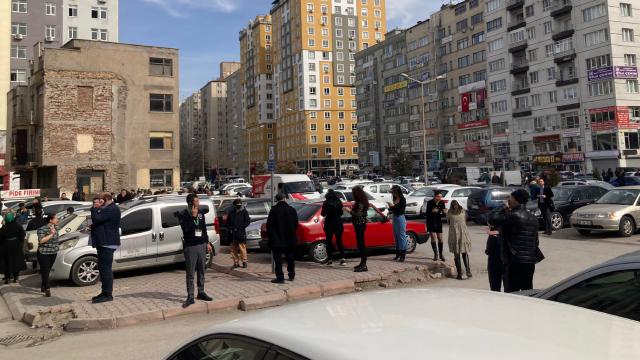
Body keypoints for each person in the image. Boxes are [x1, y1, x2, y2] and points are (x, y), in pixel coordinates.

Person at [488, 189, 541, 292]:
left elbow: (491, 218)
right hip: (530, 262)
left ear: (516, 200)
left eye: (510, 198)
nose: (509, 200)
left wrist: (503, 206)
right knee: (527, 292)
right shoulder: (533, 218)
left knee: (512, 293)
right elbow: (536, 241)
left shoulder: (514, 216)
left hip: (515, 262)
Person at [176, 194, 213, 308]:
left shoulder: (201, 213)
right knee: (191, 272)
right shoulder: (183, 214)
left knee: (202, 269)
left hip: (201, 245)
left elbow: (203, 228)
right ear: (191, 203)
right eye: (197, 201)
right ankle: (190, 296)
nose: (199, 203)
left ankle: (201, 292)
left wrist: (207, 242)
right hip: (191, 246)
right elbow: (186, 229)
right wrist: (192, 217)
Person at [90, 193, 121, 304]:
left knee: (106, 269)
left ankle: (108, 294)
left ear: (105, 200)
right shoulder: (108, 208)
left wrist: (94, 209)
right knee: (103, 269)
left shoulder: (111, 209)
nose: (98, 203)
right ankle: (104, 292)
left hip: (107, 243)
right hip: (104, 242)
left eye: (101, 201)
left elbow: (96, 219)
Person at [267, 193, 299, 283]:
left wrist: (272, 237)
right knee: (290, 258)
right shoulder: (292, 210)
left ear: (277, 199)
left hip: (277, 240)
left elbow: (269, 226)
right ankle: (291, 275)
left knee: (278, 259)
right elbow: (296, 224)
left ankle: (280, 277)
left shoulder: (274, 210)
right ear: (285, 198)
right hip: (290, 239)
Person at [344, 186, 370, 272]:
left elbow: (358, 214)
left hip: (360, 224)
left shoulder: (360, 203)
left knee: (361, 244)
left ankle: (364, 264)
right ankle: (362, 263)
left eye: (353, 193)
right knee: (360, 243)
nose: (352, 194)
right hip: (359, 224)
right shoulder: (361, 202)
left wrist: (349, 210)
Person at [447, 200, 472, 280]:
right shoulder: (463, 211)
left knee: (456, 254)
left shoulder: (449, 212)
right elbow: (465, 220)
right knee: (464, 252)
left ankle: (460, 274)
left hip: (454, 234)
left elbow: (448, 222)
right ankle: (468, 272)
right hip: (463, 233)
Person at [36, 213, 60, 297]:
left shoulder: (56, 227)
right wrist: (51, 234)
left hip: (53, 252)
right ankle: (47, 288)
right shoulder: (42, 229)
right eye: (56, 218)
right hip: (43, 253)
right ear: (50, 220)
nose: (58, 220)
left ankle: (43, 285)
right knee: (45, 270)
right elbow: (41, 241)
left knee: (47, 270)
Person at [0, 212, 27, 284]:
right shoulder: (18, 226)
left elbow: (0, 239)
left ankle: (7, 278)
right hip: (16, 245)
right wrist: (20, 242)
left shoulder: (3, 228)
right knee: (16, 261)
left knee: (7, 262)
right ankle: (16, 277)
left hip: (6, 247)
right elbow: (22, 235)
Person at [320, 189, 345, 266]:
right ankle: (343, 259)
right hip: (338, 223)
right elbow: (341, 213)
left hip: (329, 223)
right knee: (339, 240)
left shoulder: (326, 202)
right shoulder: (339, 202)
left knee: (329, 241)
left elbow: (322, 214)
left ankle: (330, 260)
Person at [227, 198, 251, 269]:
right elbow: (228, 223)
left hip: (241, 233)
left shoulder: (244, 212)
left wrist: (241, 227)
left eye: (239, 205)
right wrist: (230, 228)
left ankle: (244, 262)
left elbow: (247, 221)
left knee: (242, 248)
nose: (238, 206)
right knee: (233, 249)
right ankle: (236, 263)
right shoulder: (231, 213)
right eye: (236, 205)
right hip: (233, 234)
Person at [425, 191, 447, 261]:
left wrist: (445, 212)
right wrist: (432, 211)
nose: (440, 198)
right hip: (431, 221)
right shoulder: (430, 202)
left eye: (441, 197)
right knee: (433, 238)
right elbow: (426, 213)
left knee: (440, 238)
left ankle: (441, 254)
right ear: (435, 196)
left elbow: (443, 213)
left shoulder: (442, 202)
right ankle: (436, 254)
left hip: (438, 221)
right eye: (438, 196)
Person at [388, 186, 408, 262]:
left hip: (400, 217)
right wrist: (390, 207)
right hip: (395, 217)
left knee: (401, 236)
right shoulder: (394, 198)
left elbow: (400, 210)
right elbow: (393, 210)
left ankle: (403, 255)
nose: (393, 194)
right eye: (392, 192)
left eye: (394, 192)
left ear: (397, 192)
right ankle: (398, 253)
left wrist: (393, 206)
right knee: (396, 236)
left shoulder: (402, 199)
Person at [485, 215, 504, 292]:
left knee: (495, 288)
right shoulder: (504, 233)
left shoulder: (493, 236)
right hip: (504, 262)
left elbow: (489, 251)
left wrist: (486, 251)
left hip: (494, 263)